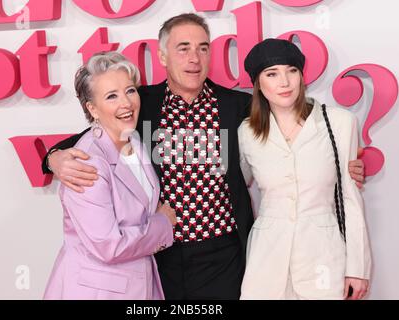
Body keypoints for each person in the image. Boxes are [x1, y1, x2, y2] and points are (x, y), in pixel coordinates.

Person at [42, 14, 366, 299]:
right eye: (183, 48)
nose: (194, 58)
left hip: (222, 254)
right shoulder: (141, 103)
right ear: (163, 56)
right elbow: (92, 135)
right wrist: (53, 158)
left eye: (203, 48)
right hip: (161, 254)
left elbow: (291, 127)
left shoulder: (237, 107)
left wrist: (338, 163)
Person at [238, 38, 371, 300]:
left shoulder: (340, 123)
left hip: (323, 257)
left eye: (292, 71)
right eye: (272, 74)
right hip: (266, 260)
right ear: (258, 83)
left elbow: (350, 200)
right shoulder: (247, 131)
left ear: (302, 75)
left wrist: (358, 268)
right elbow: (234, 188)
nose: (284, 82)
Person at [43, 52, 176, 300]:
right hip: (99, 291)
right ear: (92, 108)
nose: (126, 103)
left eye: (130, 91)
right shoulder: (86, 162)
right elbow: (108, 245)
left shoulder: (133, 139)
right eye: (111, 96)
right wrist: (162, 223)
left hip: (139, 284)